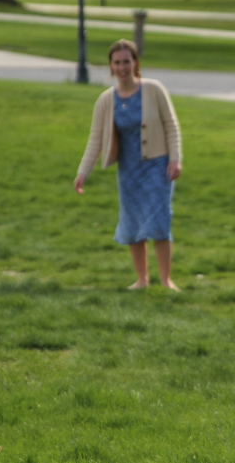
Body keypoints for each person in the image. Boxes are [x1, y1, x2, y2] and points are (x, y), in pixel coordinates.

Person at [74, 39, 182, 291]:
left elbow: (171, 125)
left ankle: (166, 281)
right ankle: (142, 280)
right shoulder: (105, 100)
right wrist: (83, 172)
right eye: (117, 62)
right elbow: (95, 139)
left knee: (159, 221)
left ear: (135, 63)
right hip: (128, 170)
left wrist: (175, 159)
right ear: (111, 66)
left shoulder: (153, 89)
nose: (122, 66)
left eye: (127, 61)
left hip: (158, 165)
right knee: (133, 223)